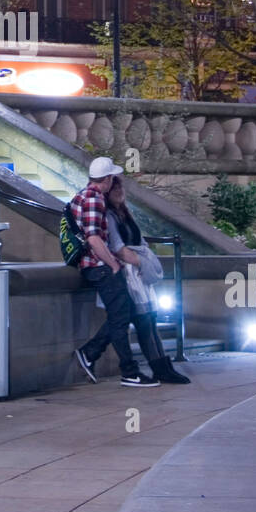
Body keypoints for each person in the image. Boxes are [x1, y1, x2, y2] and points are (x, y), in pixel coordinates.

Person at [70, 157, 158, 386]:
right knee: (121, 317)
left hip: (94, 266)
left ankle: (90, 353)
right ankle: (128, 371)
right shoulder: (94, 199)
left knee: (123, 313)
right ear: (107, 179)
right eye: (112, 178)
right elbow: (93, 238)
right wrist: (114, 264)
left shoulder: (82, 195)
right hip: (98, 267)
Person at [100, 177, 191, 384]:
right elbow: (118, 247)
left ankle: (162, 366)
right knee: (140, 320)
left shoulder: (124, 213)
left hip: (138, 271)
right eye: (114, 187)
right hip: (128, 273)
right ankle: (155, 367)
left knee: (148, 318)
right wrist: (141, 262)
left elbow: (138, 240)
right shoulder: (110, 215)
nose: (119, 191)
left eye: (120, 186)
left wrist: (144, 260)